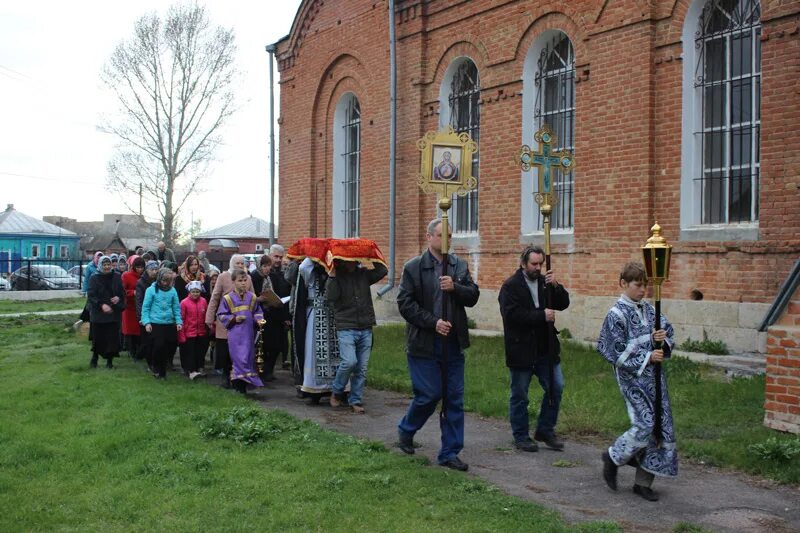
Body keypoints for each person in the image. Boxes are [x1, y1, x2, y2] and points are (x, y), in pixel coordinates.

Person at [396, 218, 480, 471]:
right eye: (442, 235)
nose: (447, 240)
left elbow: (473, 296)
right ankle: (407, 429)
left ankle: (450, 452)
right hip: (424, 343)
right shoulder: (414, 267)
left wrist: (455, 288)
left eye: (450, 236)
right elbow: (405, 304)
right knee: (430, 394)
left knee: (454, 397)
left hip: (452, 344)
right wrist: (433, 323)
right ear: (429, 237)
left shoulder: (458, 266)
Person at [598, 262, 677, 502]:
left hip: (655, 377)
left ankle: (643, 483)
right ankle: (613, 457)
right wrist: (647, 356)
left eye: (645, 285)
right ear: (624, 284)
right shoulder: (616, 314)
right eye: (638, 285)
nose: (643, 290)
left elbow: (668, 333)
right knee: (645, 423)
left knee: (658, 428)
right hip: (633, 379)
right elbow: (610, 349)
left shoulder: (650, 310)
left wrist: (661, 342)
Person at [498, 246, 570, 453]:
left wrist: (556, 286)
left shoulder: (544, 283)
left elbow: (563, 303)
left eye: (540, 264)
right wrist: (541, 316)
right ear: (523, 264)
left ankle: (546, 429)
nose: (538, 268)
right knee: (520, 394)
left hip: (545, 348)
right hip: (521, 349)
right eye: (534, 264)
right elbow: (511, 316)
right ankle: (521, 436)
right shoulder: (510, 287)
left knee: (556, 386)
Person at [327, 258, 388, 414]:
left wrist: (372, 256)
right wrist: (332, 276)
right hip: (346, 326)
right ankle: (337, 390)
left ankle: (355, 400)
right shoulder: (337, 276)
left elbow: (382, 271)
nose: (352, 261)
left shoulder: (364, 274)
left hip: (365, 326)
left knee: (361, 368)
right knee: (349, 362)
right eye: (349, 259)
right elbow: (331, 297)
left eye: (355, 259)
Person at [286, 255, 340, 403]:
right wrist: (313, 254)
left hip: (330, 317)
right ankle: (314, 390)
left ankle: (333, 387)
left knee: (333, 352)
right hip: (314, 316)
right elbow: (303, 267)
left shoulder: (332, 271)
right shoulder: (309, 272)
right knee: (313, 352)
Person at [206, 255, 253, 388]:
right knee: (225, 351)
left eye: (242, 263)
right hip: (226, 319)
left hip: (243, 321)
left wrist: (255, 316)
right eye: (237, 263)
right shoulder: (223, 277)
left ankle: (239, 378)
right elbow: (215, 297)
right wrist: (209, 318)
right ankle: (225, 376)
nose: (239, 265)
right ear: (232, 263)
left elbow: (252, 298)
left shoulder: (248, 278)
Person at [217, 268, 265, 394]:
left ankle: (244, 386)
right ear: (233, 282)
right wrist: (233, 318)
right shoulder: (228, 298)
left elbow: (257, 311)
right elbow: (221, 314)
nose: (243, 283)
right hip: (235, 334)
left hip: (248, 334)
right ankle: (238, 385)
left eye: (245, 280)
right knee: (238, 359)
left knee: (248, 358)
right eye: (240, 281)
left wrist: (259, 320)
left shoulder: (252, 297)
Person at [141, 268, 182, 379]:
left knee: (168, 347)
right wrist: (146, 322)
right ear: (159, 279)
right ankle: (156, 367)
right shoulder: (151, 290)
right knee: (158, 346)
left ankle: (162, 371)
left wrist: (178, 321)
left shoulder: (172, 291)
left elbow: (176, 307)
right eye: (164, 280)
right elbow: (146, 307)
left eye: (169, 281)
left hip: (169, 323)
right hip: (155, 322)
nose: (166, 283)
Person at [87, 255, 125, 369]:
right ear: (100, 265)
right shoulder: (94, 277)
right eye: (104, 265)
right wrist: (101, 305)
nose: (107, 267)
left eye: (108, 264)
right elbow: (91, 295)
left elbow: (122, 292)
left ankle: (110, 362)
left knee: (112, 338)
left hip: (113, 312)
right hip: (98, 313)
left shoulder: (117, 276)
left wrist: (118, 298)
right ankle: (95, 358)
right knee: (98, 337)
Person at [250, 254, 277, 380]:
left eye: (268, 266)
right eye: (265, 266)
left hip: (270, 312)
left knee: (270, 344)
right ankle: (258, 370)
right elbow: (250, 294)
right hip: (258, 312)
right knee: (259, 343)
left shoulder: (270, 278)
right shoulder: (254, 276)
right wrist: (258, 298)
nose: (267, 269)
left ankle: (267, 371)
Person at [267, 244, 292, 370]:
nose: (278, 260)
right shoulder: (266, 273)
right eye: (275, 256)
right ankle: (266, 370)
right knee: (268, 345)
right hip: (267, 313)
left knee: (278, 345)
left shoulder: (284, 274)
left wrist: (287, 316)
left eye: (280, 257)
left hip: (281, 313)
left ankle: (270, 369)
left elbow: (288, 294)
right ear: (270, 255)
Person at [178, 280, 209, 380]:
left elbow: (206, 315)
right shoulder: (184, 303)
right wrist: (181, 334)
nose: (195, 294)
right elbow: (181, 318)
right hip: (189, 332)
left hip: (201, 332)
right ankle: (191, 371)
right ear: (189, 292)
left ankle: (199, 368)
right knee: (190, 352)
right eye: (193, 292)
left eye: (197, 292)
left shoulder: (203, 301)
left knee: (199, 352)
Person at [121, 256, 145, 359]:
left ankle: (139, 352)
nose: (140, 269)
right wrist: (132, 292)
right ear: (133, 266)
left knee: (140, 330)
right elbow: (122, 291)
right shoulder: (126, 276)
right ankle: (131, 351)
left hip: (141, 306)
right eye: (138, 267)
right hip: (129, 307)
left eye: (142, 267)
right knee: (130, 331)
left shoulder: (144, 276)